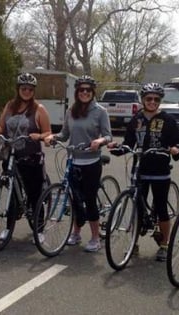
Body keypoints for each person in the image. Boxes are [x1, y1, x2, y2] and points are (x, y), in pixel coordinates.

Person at [108, 82, 179, 261]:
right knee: (137, 209)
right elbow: (128, 143)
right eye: (149, 98)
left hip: (160, 171)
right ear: (143, 100)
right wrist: (116, 148)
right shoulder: (136, 119)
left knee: (161, 208)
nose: (152, 101)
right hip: (140, 170)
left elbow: (176, 143)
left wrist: (174, 149)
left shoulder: (168, 120)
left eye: (156, 99)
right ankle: (134, 243)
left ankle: (164, 245)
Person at [44, 75, 112, 252]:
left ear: (92, 92)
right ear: (77, 92)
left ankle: (96, 237)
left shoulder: (100, 111)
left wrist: (99, 141)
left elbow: (108, 135)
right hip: (73, 160)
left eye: (88, 90)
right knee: (74, 199)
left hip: (91, 161)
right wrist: (53, 137)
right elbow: (65, 134)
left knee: (89, 200)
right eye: (81, 90)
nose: (84, 92)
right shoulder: (71, 111)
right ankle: (76, 233)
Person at [0, 72, 51, 241]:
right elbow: (1, 127)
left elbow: (47, 132)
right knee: (13, 194)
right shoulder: (10, 106)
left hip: (31, 157)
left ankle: (40, 229)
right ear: (18, 89)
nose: (27, 91)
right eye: (24, 88)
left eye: (30, 89)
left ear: (33, 91)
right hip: (11, 156)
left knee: (35, 194)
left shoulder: (39, 109)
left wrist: (40, 136)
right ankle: (8, 228)